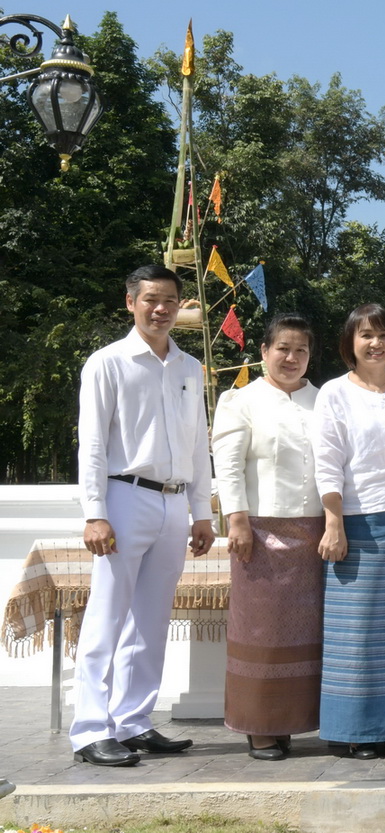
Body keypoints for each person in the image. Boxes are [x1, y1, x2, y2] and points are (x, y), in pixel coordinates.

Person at [70, 264, 214, 767]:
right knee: (107, 615)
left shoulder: (189, 367)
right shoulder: (107, 363)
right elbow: (91, 444)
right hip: (123, 497)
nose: (161, 309)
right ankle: (90, 729)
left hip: (174, 502)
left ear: (181, 306)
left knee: (151, 619)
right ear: (130, 301)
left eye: (170, 300)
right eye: (151, 299)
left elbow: (199, 445)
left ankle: (133, 721)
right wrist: (94, 512)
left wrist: (201, 510)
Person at [214, 313, 324, 761]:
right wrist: (236, 520)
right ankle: (260, 727)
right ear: (263, 351)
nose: (291, 358)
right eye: (283, 348)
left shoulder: (326, 400)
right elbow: (229, 465)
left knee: (310, 634)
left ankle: (299, 722)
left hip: (317, 532)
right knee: (263, 632)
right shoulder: (240, 401)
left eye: (301, 350)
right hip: (260, 531)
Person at [312, 303, 385, 759]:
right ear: (350, 343)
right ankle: (354, 730)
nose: (376, 343)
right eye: (366, 335)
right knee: (356, 632)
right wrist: (333, 522)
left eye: (384, 335)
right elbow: (327, 462)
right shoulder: (334, 393)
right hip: (356, 521)